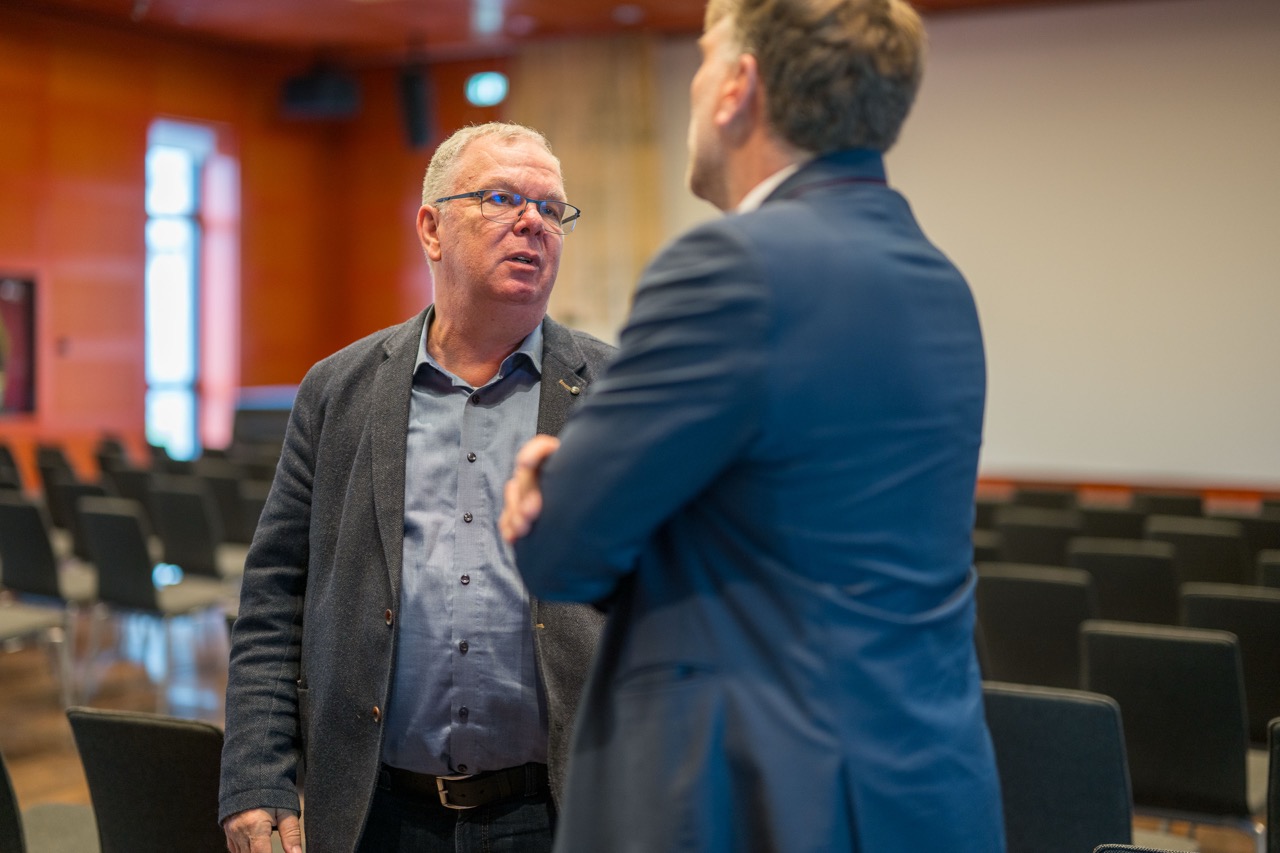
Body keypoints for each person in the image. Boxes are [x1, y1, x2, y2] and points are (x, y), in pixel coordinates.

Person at [499, 0, 1006, 849]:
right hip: (920, 790)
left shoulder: (732, 267)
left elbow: (563, 550)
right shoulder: (937, 279)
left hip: (768, 802)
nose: (695, 86)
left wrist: (550, 488)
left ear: (738, 85)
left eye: (704, 57)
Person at [219, 122, 614, 853]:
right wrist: (256, 774)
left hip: (563, 810)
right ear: (432, 228)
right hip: (377, 812)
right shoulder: (338, 391)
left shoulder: (621, 394)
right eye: (502, 199)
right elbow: (276, 595)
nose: (533, 222)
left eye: (551, 208)